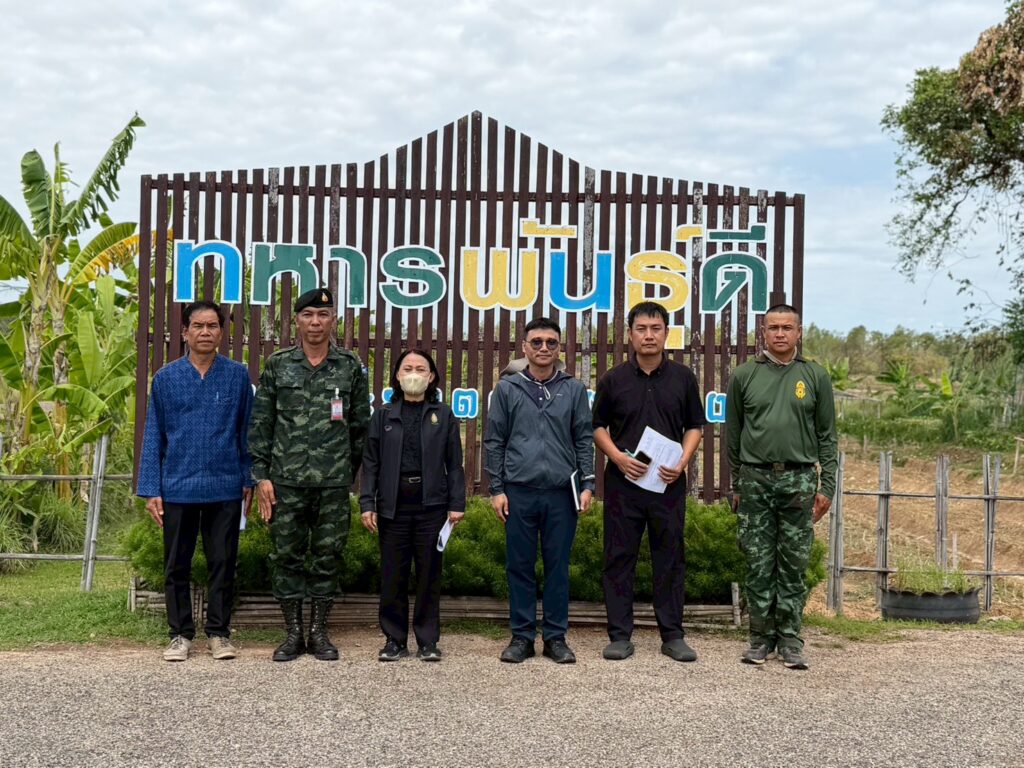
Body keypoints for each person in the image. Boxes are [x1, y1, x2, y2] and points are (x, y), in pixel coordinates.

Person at [248, 288, 370, 662]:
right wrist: (261, 476)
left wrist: (344, 471)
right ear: (297, 321)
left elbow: (360, 427)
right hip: (285, 483)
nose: (315, 322)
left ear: (334, 320)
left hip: (332, 484)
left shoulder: (349, 366)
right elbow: (262, 423)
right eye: (308, 315)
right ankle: (292, 633)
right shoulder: (279, 364)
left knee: (327, 556)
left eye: (323, 314)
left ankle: (318, 632)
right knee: (286, 556)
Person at [137, 300, 253, 662]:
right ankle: (180, 635)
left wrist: (248, 478)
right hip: (178, 486)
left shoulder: (237, 376)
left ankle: (219, 633)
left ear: (222, 332)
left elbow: (246, 432)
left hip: (225, 485)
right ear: (185, 332)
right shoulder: (166, 378)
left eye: (212, 326)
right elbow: (153, 434)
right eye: (198, 326)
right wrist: (151, 489)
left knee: (223, 561)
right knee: (177, 565)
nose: (205, 332)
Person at [592, 301, 705, 663]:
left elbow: (694, 426)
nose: (649, 335)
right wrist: (617, 457)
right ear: (630, 334)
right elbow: (597, 427)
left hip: (667, 485)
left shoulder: (683, 378)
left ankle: (672, 636)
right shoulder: (613, 380)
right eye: (641, 329)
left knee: (669, 558)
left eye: (656, 328)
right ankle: (619, 635)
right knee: (618, 558)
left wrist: (682, 461)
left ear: (666, 333)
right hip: (624, 484)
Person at [726, 303, 837, 670]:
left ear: (798, 332)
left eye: (786, 327)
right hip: (755, 479)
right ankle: (760, 639)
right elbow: (733, 435)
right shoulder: (744, 376)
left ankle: (790, 639)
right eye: (773, 327)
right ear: (763, 331)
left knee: (793, 562)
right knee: (758, 562)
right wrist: (737, 483)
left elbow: (827, 436)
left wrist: (827, 485)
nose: (779, 333)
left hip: (799, 479)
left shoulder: (815, 376)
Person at [484, 317, 595, 664]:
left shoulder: (573, 389)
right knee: (519, 565)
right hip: (519, 491)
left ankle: (555, 638)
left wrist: (588, 483)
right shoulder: (507, 389)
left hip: (561, 492)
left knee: (557, 567)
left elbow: (584, 438)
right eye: (537, 342)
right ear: (524, 347)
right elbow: (494, 440)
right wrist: (497, 488)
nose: (544, 348)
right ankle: (521, 637)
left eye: (551, 342)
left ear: (559, 347)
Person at [359, 349, 466, 662]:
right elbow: (371, 463)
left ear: (431, 376)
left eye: (421, 368)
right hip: (393, 507)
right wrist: (367, 502)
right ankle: (394, 640)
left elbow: (454, 464)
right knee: (393, 575)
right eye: (408, 368)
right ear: (397, 375)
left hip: (432, 506)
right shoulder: (383, 416)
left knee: (429, 575)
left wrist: (456, 502)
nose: (414, 374)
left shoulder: (442, 415)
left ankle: (428, 641)